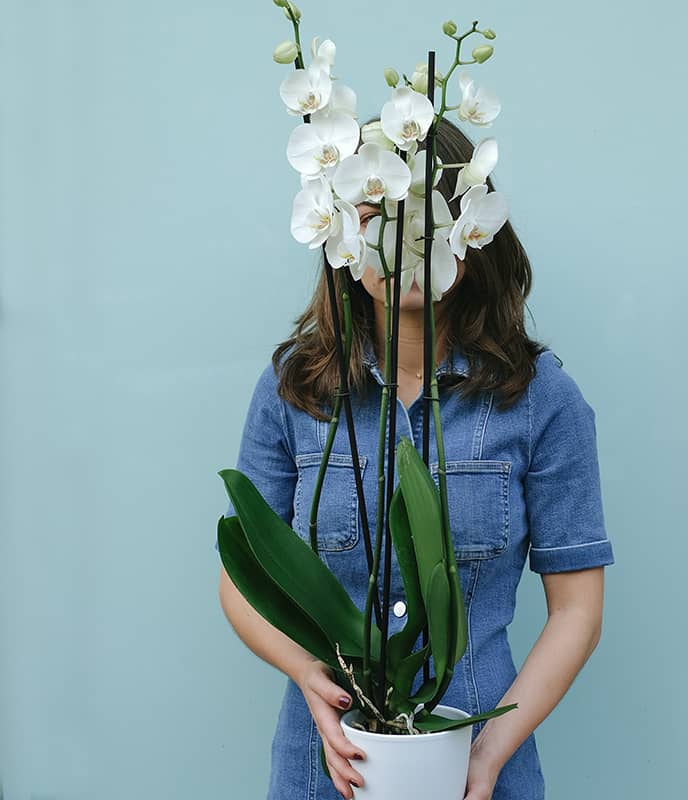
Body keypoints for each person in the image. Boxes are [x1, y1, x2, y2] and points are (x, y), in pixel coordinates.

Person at [216, 116, 615, 800]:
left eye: (425, 216)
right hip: (329, 763)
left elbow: (577, 608)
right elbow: (240, 572)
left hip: (482, 765)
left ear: (468, 228)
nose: (403, 243)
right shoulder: (294, 389)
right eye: (378, 218)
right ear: (341, 234)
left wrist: (489, 753)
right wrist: (310, 676)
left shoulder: (541, 398)